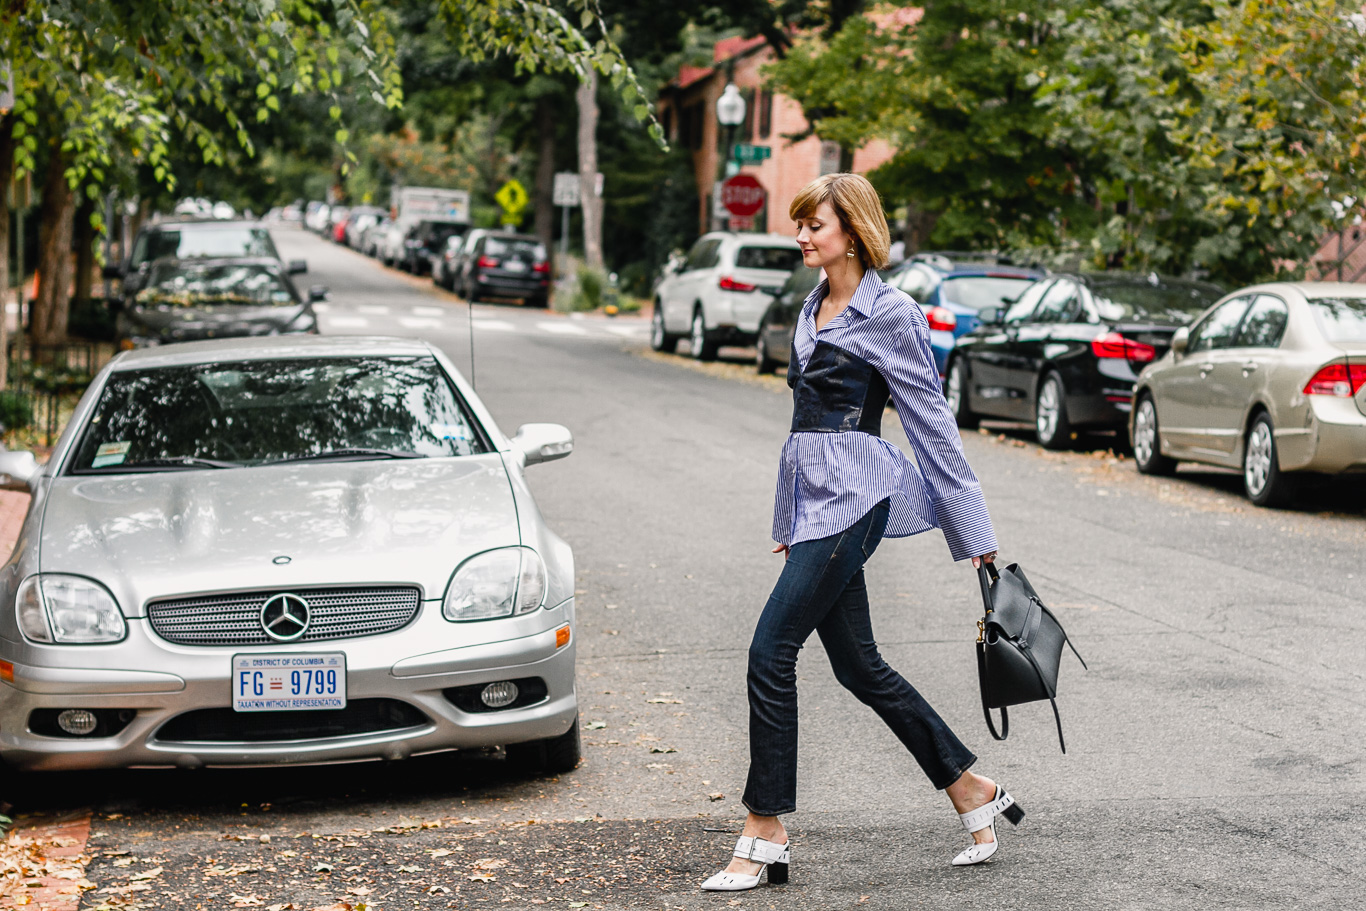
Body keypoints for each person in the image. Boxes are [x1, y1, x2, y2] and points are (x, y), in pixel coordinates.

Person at [701, 173, 1019, 893]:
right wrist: (790, 517)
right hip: (818, 502)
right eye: (802, 223)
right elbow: (799, 430)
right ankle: (972, 788)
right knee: (859, 666)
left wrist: (974, 528)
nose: (803, 235)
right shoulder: (812, 308)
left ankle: (765, 827)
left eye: (815, 223)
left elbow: (929, 418)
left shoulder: (892, 313)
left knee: (769, 649)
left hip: (859, 494)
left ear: (853, 230)